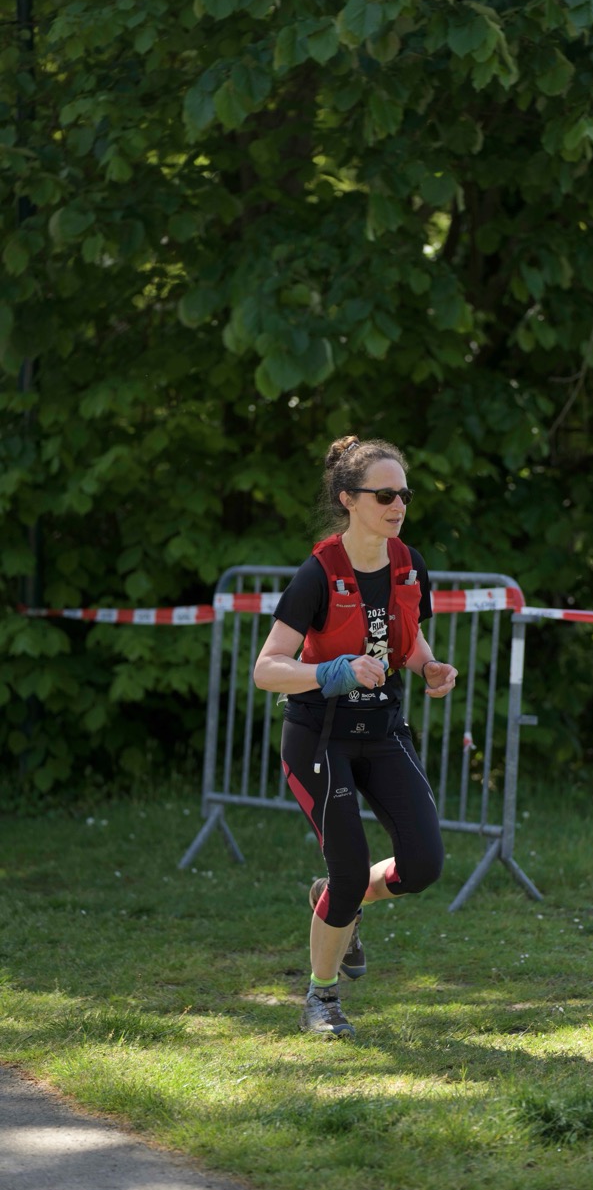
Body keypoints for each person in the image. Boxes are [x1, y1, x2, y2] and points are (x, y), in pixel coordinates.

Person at [253, 435, 458, 1038]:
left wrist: (428, 667)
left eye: (405, 495)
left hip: (383, 729)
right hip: (319, 737)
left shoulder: (410, 563)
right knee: (349, 870)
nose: (398, 506)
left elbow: (406, 638)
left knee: (422, 864)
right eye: (384, 495)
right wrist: (331, 673)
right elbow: (266, 668)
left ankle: (336, 899)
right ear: (349, 499)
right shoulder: (318, 573)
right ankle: (322, 998)